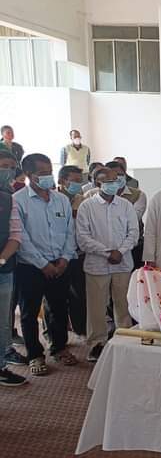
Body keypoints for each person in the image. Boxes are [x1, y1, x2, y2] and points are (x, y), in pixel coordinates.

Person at [15, 153, 78, 376]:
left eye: (49, 172)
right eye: (42, 173)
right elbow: (21, 237)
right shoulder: (18, 200)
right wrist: (42, 264)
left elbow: (70, 232)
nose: (48, 177)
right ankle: (35, 354)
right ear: (28, 175)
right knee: (29, 313)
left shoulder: (61, 199)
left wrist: (65, 259)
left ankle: (59, 347)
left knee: (58, 308)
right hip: (30, 267)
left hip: (60, 264)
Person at [76, 167, 138, 362]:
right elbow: (83, 238)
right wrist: (107, 252)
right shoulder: (87, 206)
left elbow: (133, 232)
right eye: (109, 181)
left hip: (123, 262)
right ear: (97, 183)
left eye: (116, 180)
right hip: (97, 264)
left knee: (123, 303)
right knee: (96, 306)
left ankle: (124, 340)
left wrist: (120, 251)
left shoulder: (125, 205)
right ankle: (97, 343)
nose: (114, 184)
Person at [0, 152, 26, 383]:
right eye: (3, 166)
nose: (7, 172)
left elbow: (15, 236)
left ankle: (1, 365)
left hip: (3, 269)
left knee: (2, 320)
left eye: (11, 167)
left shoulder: (9, 200)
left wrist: (1, 260)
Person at [57, 165, 87, 337]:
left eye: (80, 181)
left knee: (79, 294)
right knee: (56, 298)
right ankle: (55, 335)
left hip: (78, 254)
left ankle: (80, 328)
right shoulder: (52, 199)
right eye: (74, 181)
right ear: (62, 181)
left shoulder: (82, 200)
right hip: (57, 256)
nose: (78, 184)